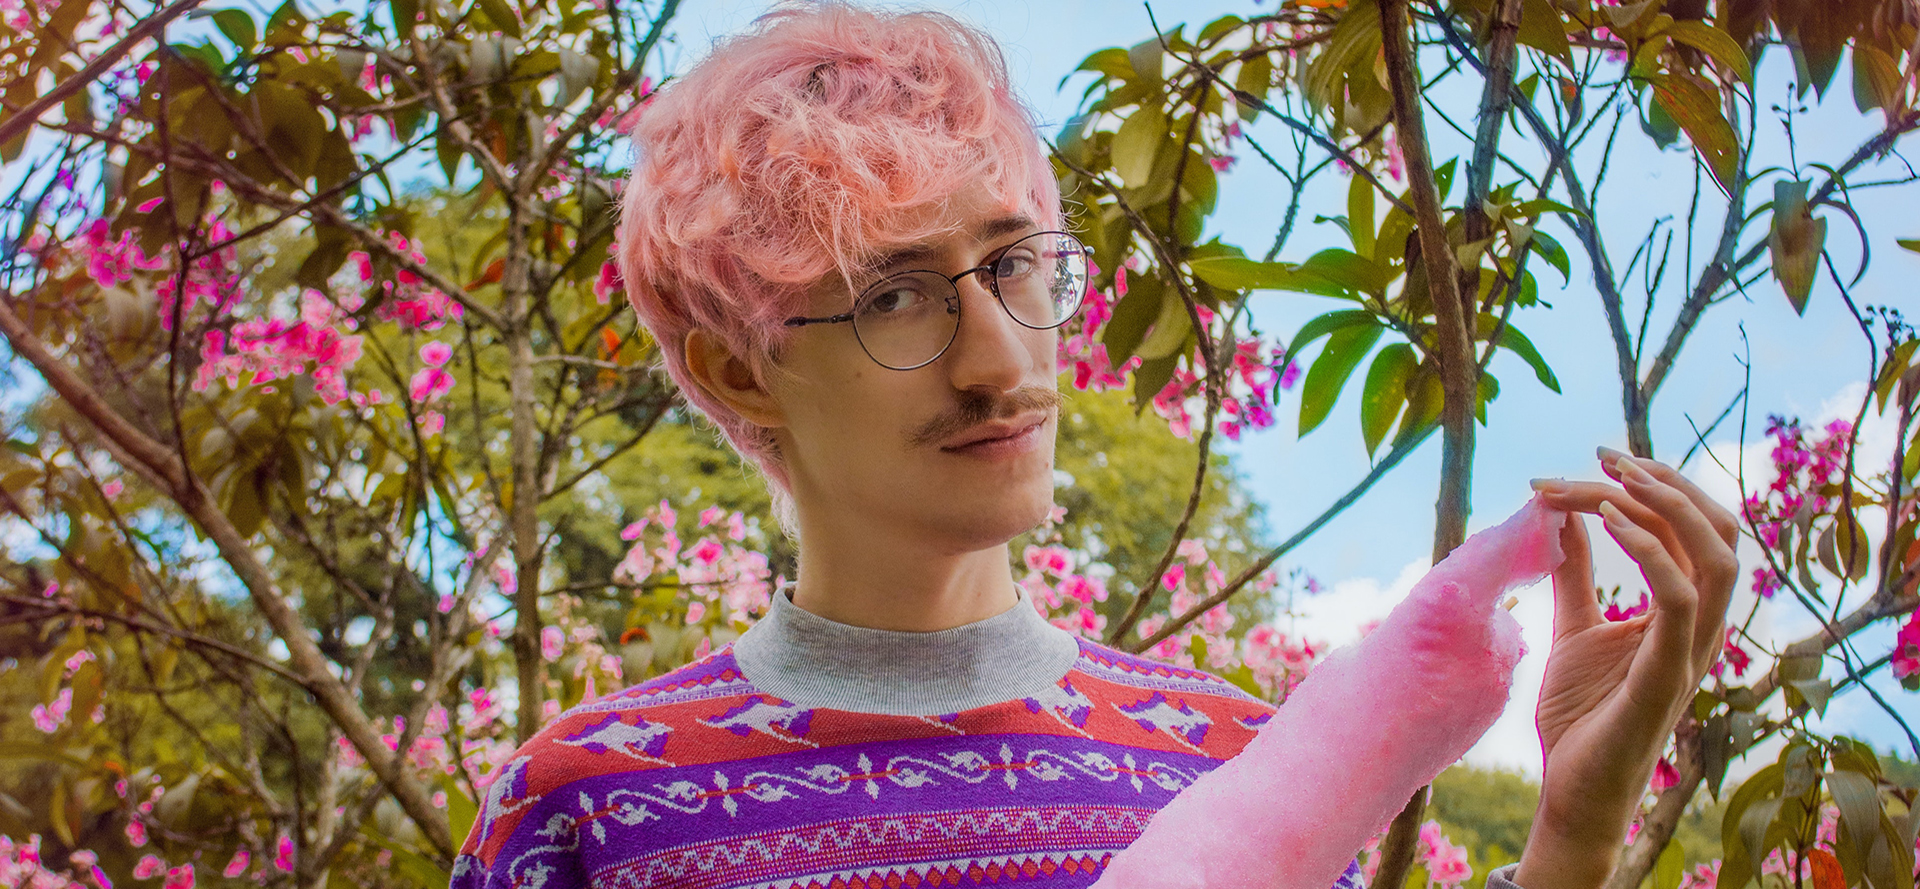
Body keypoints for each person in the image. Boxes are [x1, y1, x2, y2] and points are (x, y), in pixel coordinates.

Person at [449, 5, 1741, 888]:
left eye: (1014, 263)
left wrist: (1572, 831)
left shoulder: (1236, 761)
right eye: (898, 294)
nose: (1002, 358)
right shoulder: (585, 815)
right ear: (743, 364)